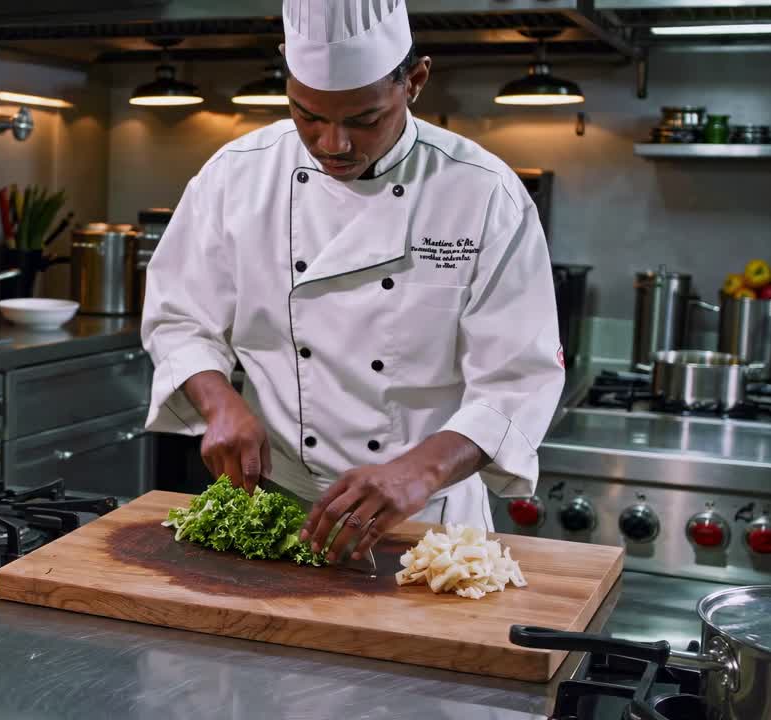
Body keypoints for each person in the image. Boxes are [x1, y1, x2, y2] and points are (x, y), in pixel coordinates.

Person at [141, 0, 565, 566]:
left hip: (426, 528)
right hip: (272, 510)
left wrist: (421, 470)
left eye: (364, 119)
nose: (332, 144)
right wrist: (219, 403)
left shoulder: (483, 193)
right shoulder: (235, 175)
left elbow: (519, 380)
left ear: (415, 81)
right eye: (307, 115)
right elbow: (179, 317)